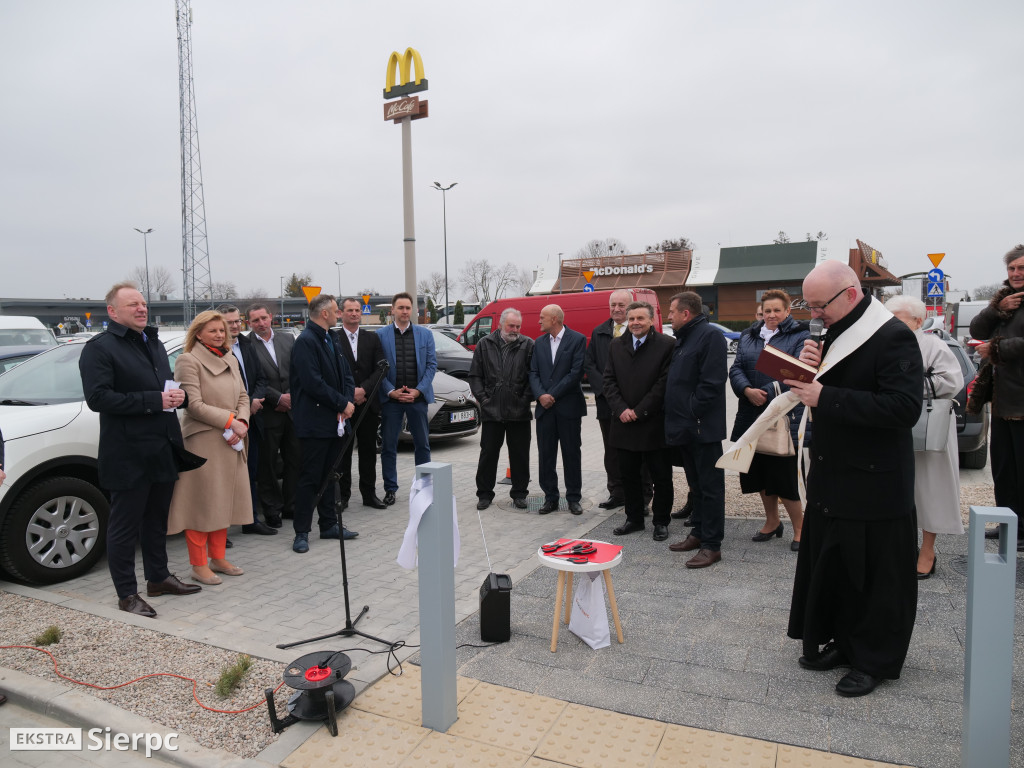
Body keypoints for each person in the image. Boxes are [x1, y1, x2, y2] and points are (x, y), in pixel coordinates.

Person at [785, 261, 922, 698]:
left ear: (849, 293)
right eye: (808, 306)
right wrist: (809, 369)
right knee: (841, 568)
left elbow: (903, 408)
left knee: (877, 578)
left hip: (875, 482)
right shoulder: (835, 329)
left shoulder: (893, 335)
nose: (813, 315)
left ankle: (874, 660)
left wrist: (826, 395)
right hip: (835, 474)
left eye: (818, 305)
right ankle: (844, 643)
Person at [79, 282, 201, 618]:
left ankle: (158, 578)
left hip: (162, 447)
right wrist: (154, 400)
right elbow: (98, 398)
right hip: (128, 453)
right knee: (124, 526)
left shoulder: (152, 341)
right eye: (133, 304)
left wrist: (179, 396)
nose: (141, 308)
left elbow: (163, 387)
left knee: (157, 520)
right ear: (112, 311)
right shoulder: (99, 348)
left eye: (143, 303)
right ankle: (127, 594)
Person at [168, 311, 252, 585]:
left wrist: (241, 422)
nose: (219, 335)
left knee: (224, 501)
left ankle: (218, 557)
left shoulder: (230, 358)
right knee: (201, 503)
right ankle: (198, 564)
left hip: (232, 439)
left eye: (222, 330)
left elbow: (243, 396)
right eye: (213, 330)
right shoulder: (188, 360)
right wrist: (230, 421)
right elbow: (193, 404)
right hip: (204, 440)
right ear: (199, 333)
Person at [886, 295, 964, 578]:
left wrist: (905, 386)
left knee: (932, 487)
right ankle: (899, 546)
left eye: (897, 318)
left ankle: (927, 550)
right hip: (891, 424)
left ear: (918, 321)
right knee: (895, 489)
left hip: (928, 425)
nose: (890, 323)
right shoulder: (883, 345)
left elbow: (952, 381)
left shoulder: (933, 345)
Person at [728, 289, 807, 551]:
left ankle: (800, 528)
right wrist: (746, 390)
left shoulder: (800, 336)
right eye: (767, 311)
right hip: (751, 411)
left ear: (787, 311)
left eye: (777, 310)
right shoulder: (749, 335)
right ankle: (772, 521)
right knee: (759, 473)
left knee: (785, 478)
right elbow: (736, 367)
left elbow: (800, 372)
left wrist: (768, 392)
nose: (771, 315)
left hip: (783, 414)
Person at [664, 292, 727, 568]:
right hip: (685, 427)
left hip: (702, 428)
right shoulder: (684, 338)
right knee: (697, 486)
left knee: (711, 488)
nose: (669, 317)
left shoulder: (710, 336)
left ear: (685, 313)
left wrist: (692, 410)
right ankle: (698, 533)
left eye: (671, 312)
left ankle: (712, 545)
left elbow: (712, 383)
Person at [290, 293, 357, 552]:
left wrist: (346, 403)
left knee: (331, 475)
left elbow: (346, 375)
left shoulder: (331, 338)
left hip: (335, 421)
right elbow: (312, 383)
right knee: (310, 477)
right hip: (315, 423)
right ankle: (301, 532)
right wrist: (341, 404)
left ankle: (329, 524)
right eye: (336, 310)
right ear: (325, 313)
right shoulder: (306, 341)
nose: (339, 314)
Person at [604, 301, 675, 540]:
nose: (635, 323)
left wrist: (640, 410)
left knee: (661, 477)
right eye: (632, 318)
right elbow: (608, 381)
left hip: (653, 423)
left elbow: (664, 383)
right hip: (624, 423)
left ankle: (661, 521)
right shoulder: (616, 345)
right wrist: (621, 409)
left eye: (640, 318)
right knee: (628, 476)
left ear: (651, 320)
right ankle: (633, 519)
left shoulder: (666, 345)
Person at [972, 244, 1024, 550]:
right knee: (1004, 468)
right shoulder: (1005, 299)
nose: (1016, 273)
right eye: (1012, 268)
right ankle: (1008, 524)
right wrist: (996, 308)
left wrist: (996, 348)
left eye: (1021, 268)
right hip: (1003, 399)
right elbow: (977, 328)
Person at [586, 289, 652, 511]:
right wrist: (607, 393)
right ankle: (617, 493)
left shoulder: (639, 333)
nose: (616, 309)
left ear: (630, 306)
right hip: (608, 405)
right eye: (613, 305)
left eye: (621, 305)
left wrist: (629, 399)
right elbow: (590, 365)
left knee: (640, 452)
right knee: (612, 452)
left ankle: (643, 496)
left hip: (634, 406)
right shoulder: (599, 332)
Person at [468, 307, 535, 510]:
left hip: (519, 411)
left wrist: (524, 399)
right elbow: (475, 376)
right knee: (488, 454)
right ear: (500, 325)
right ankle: (484, 494)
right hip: (492, 411)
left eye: (518, 326)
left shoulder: (528, 345)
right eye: (511, 326)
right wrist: (484, 400)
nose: (515, 330)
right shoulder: (484, 344)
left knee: (520, 455)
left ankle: (519, 494)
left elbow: (534, 376)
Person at [218, 304, 276, 537]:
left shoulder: (246, 344)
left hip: (250, 419)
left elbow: (260, 378)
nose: (234, 326)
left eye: (236, 321)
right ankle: (219, 529)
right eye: (229, 322)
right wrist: (243, 407)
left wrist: (253, 401)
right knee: (223, 477)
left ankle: (250, 520)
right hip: (225, 422)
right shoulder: (211, 350)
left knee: (249, 472)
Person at [376, 292, 436, 506]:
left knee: (422, 445)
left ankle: (425, 488)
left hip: (417, 399)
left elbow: (431, 365)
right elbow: (377, 367)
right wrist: (390, 391)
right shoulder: (380, 335)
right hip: (391, 400)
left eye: (407, 308)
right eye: (400, 307)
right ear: (393, 310)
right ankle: (390, 489)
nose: (404, 311)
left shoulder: (425, 334)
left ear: (413, 310)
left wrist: (418, 391)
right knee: (388, 446)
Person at [529, 304, 587, 515]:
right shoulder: (539, 342)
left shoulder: (577, 339)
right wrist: (540, 395)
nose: (539, 321)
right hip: (545, 410)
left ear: (554, 319)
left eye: (542, 317)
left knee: (571, 454)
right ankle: (550, 498)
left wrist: (550, 395)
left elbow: (576, 372)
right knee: (546, 455)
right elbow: (533, 372)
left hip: (568, 408)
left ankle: (573, 498)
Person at [248, 304, 301, 527]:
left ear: (271, 317)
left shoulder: (287, 339)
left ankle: (292, 506)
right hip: (267, 413)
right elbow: (251, 379)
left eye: (264, 318)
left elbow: (299, 370)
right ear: (249, 323)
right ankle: (272, 509)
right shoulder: (246, 345)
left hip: (292, 410)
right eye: (255, 320)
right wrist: (277, 398)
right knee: (267, 464)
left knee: (295, 460)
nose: (261, 323)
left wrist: (290, 396)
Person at [337, 297, 387, 509]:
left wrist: (364, 389)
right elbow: (332, 372)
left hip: (368, 404)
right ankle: (343, 496)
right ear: (341, 313)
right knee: (343, 453)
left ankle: (369, 494)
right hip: (343, 405)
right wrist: (350, 394)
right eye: (350, 310)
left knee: (368, 452)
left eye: (357, 310)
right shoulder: (333, 338)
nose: (354, 313)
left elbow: (382, 368)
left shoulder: (372, 338)